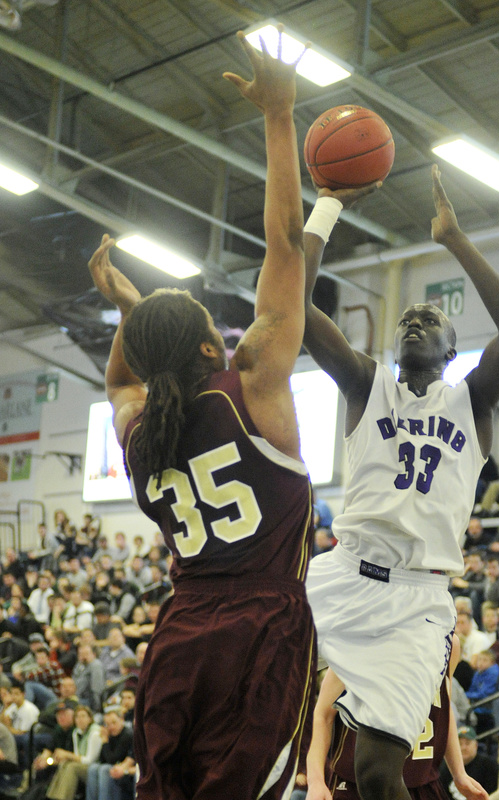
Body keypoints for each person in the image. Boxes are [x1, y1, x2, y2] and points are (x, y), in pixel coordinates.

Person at [87, 27, 316, 800]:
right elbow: (287, 242)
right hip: (262, 633)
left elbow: (125, 375)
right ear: (211, 347)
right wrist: (280, 117)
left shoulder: (136, 429)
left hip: (180, 635)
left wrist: (132, 311)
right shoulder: (253, 382)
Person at [302, 164, 499, 800]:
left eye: (431, 319)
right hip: (343, 575)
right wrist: (325, 208)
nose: (414, 321)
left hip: (417, 601)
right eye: (407, 317)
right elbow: (294, 306)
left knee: (378, 775)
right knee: (246, 684)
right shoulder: (364, 383)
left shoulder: (472, 402)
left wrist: (454, 239)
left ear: (453, 349)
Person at [305, 637, 488, 800]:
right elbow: (322, 715)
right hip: (357, 783)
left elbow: (443, 709)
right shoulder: (361, 641)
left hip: (422, 780)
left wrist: (459, 773)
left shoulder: (448, 641)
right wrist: (316, 781)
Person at [439, 726, 498, 798]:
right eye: (460, 744)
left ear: (476, 745)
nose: (464, 748)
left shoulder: (489, 766)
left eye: (467, 743)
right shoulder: (445, 766)